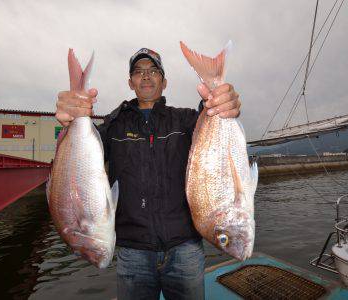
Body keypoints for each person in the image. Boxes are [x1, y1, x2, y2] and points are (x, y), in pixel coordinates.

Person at [55, 47, 241, 300]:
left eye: (153, 71)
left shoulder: (184, 120)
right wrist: (70, 121)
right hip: (133, 252)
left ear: (164, 82)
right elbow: (73, 166)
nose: (146, 76)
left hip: (184, 247)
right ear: (130, 82)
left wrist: (221, 102)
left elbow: (212, 122)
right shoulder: (113, 125)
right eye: (139, 72)